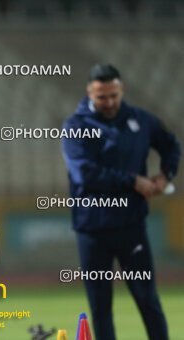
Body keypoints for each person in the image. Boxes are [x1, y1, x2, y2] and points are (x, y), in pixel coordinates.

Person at [62, 64, 180, 340]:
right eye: (102, 96)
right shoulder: (75, 126)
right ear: (89, 93)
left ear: (121, 90)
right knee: (100, 306)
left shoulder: (140, 120)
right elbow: (84, 173)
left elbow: (171, 145)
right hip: (92, 229)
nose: (110, 102)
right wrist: (133, 181)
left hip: (131, 225)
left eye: (114, 94)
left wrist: (166, 174)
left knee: (147, 298)